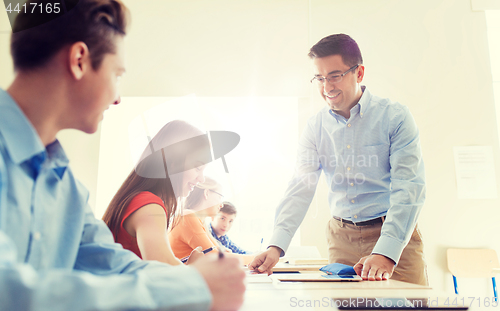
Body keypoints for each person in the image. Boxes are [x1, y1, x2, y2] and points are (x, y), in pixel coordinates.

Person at [0, 1, 245, 310]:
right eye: (117, 74)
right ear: (79, 61)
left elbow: (115, 263)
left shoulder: (67, 187)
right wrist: (189, 286)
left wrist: (194, 280)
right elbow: (8, 292)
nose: (117, 98)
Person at [249, 33, 427, 286]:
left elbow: (409, 187)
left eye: (335, 76)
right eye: (319, 78)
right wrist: (276, 246)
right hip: (342, 238)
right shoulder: (315, 127)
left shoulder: (395, 117)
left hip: (394, 234)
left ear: (359, 73)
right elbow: (300, 188)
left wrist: (386, 251)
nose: (326, 87)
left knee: (410, 304)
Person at [103, 120, 210, 266]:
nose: (201, 178)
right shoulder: (149, 206)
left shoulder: (141, 200)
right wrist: (194, 267)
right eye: (198, 168)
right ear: (173, 163)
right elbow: (162, 272)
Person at [169, 176, 225, 259]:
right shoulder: (188, 217)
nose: (221, 205)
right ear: (206, 193)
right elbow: (216, 257)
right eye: (219, 197)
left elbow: (221, 252)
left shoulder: (199, 221)